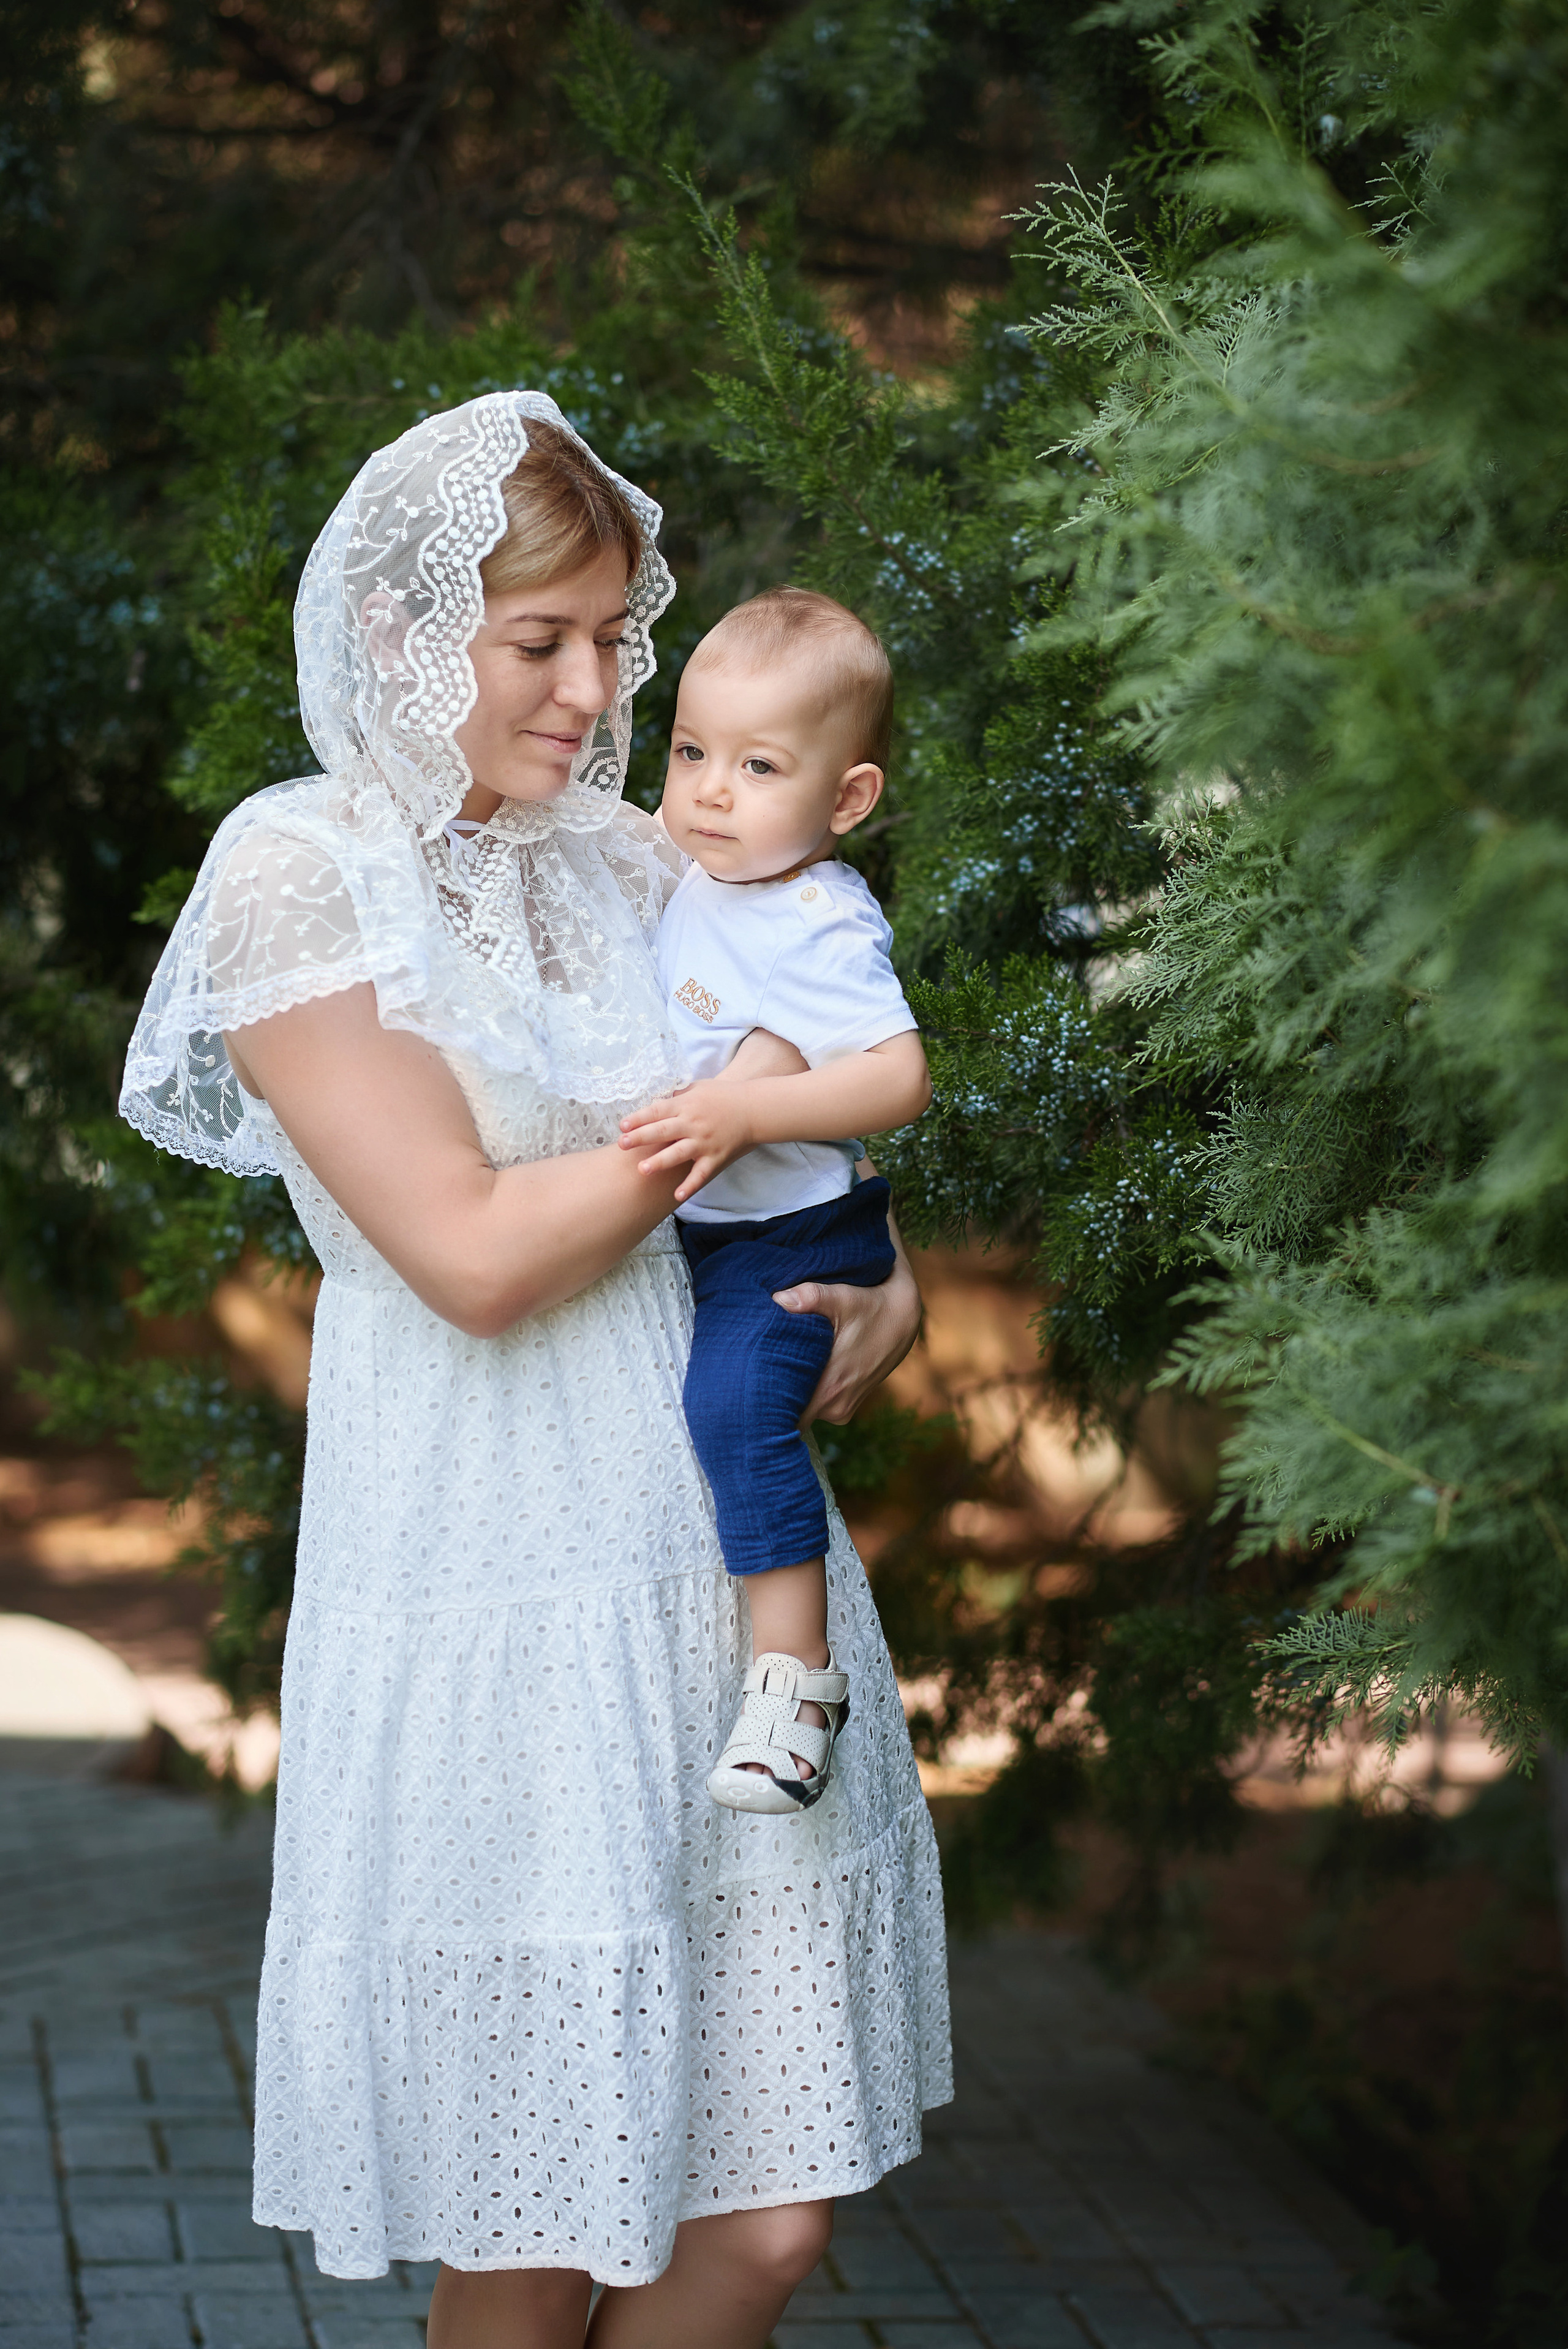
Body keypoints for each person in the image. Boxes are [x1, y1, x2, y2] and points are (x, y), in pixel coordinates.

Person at [119, 391, 951, 2349]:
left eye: (613, 638)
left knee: (760, 2228)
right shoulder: (300, 870)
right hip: (490, 1567)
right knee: (542, 2218)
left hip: (723, 1579)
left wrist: (886, 1282)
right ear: (409, 638)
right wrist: (714, 1121)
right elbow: (476, 1254)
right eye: (542, 642)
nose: (599, 688)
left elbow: (811, 1132)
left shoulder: (629, 858)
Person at [618, 589, 930, 1815]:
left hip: (786, 1233)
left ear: (844, 800)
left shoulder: (816, 917)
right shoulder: (699, 867)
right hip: (705, 1227)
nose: (705, 790)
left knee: (737, 1409)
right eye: (690, 751)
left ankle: (795, 1687)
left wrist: (747, 1110)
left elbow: (897, 1075)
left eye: (757, 766)